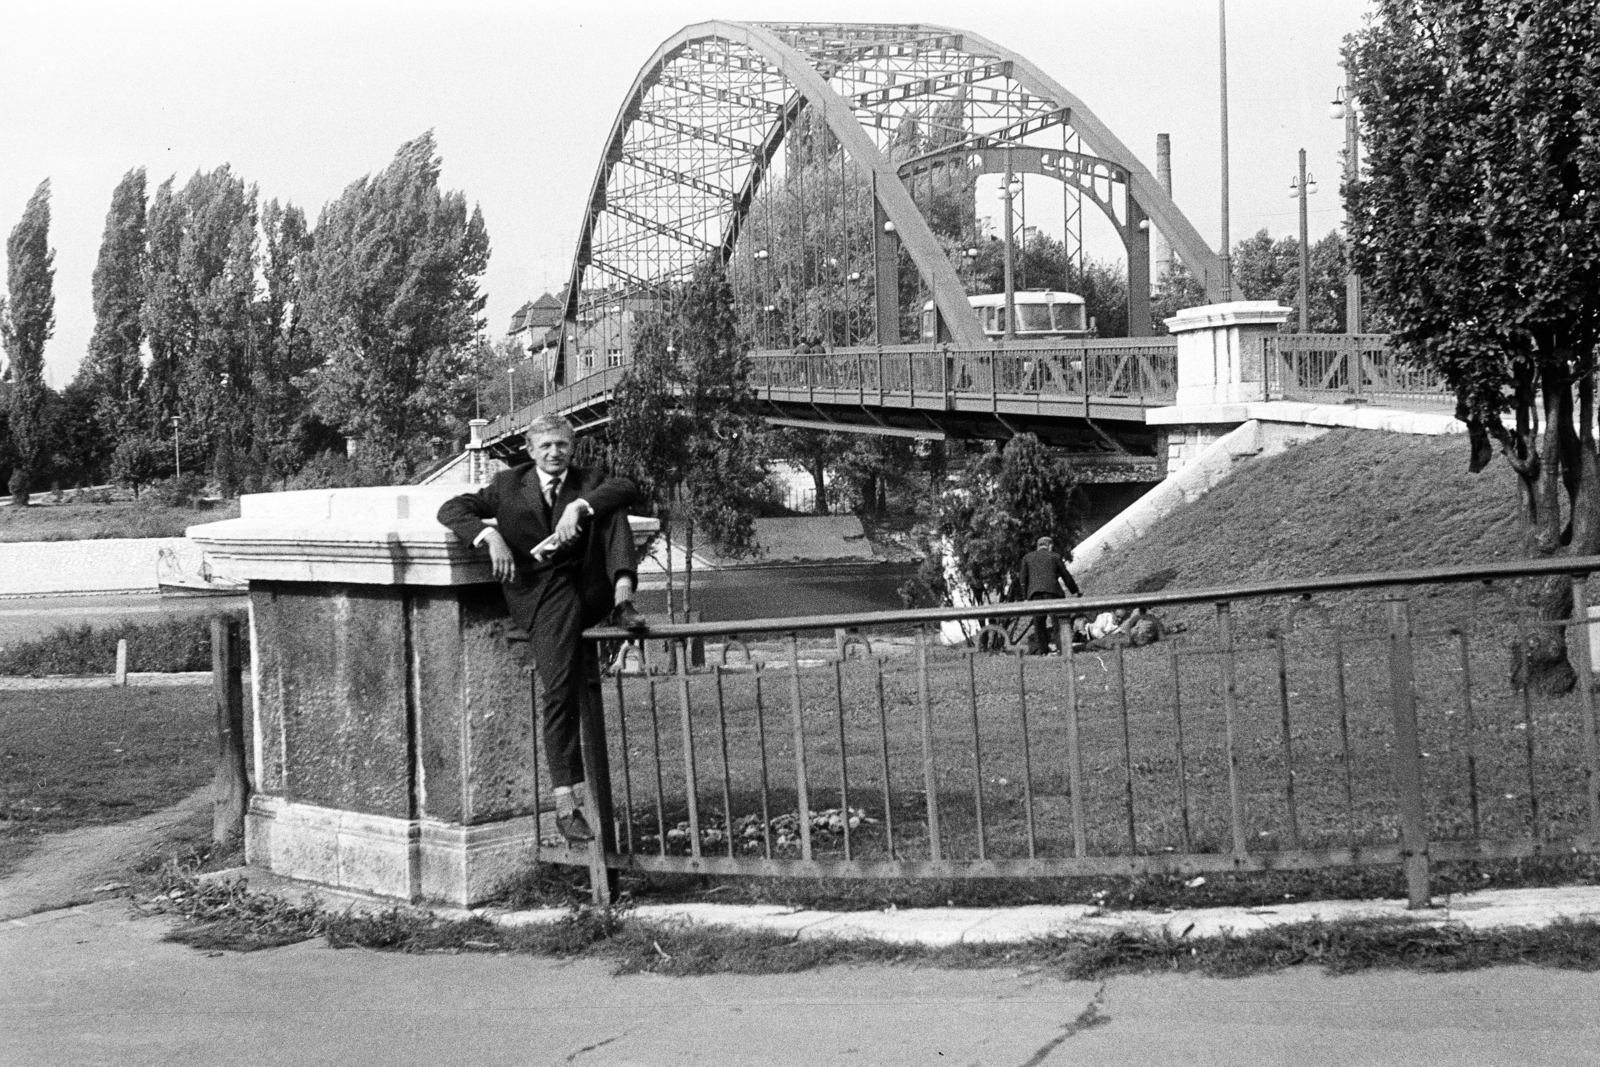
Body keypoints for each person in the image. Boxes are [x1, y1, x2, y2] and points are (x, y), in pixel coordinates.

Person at [437, 414, 645, 843]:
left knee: (609, 505)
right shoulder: (507, 486)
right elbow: (451, 508)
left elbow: (627, 486)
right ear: (530, 451)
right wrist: (488, 538)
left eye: (562, 446)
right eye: (546, 446)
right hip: (542, 597)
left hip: (590, 590)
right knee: (559, 689)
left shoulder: (589, 479)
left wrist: (580, 505)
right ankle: (566, 802)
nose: (555, 453)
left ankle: (625, 601)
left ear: (573, 448)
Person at [1017, 535, 1081, 654]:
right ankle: (1061, 649)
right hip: (1053, 593)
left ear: (1038, 546)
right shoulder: (1055, 556)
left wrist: (1025, 597)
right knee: (1057, 621)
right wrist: (1075, 591)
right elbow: (1065, 575)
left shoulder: (1027, 557)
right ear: (1050, 546)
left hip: (1034, 594)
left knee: (1039, 623)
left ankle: (1042, 650)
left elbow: (1022, 579)